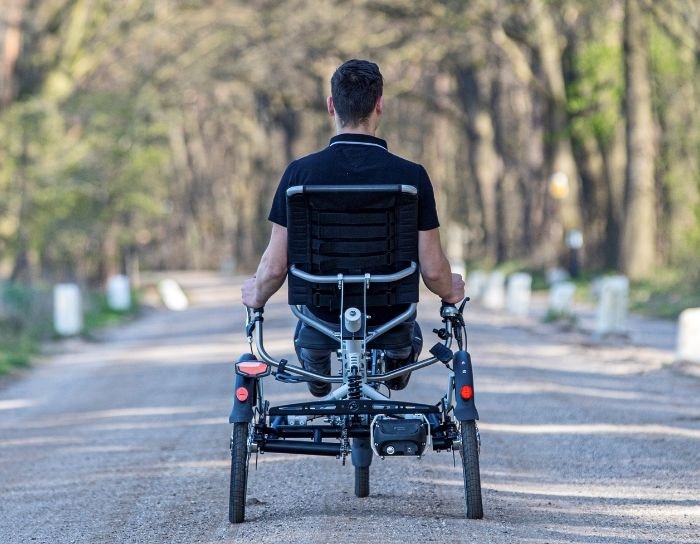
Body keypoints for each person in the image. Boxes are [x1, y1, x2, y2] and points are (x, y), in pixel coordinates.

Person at [242, 59, 464, 396]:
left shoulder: (299, 176)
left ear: (331, 106)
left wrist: (256, 295)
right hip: (390, 311)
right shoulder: (411, 177)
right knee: (403, 331)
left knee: (312, 328)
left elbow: (274, 267)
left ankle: (315, 352)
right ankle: (397, 357)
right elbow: (433, 270)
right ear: (380, 106)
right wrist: (451, 291)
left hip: (322, 313)